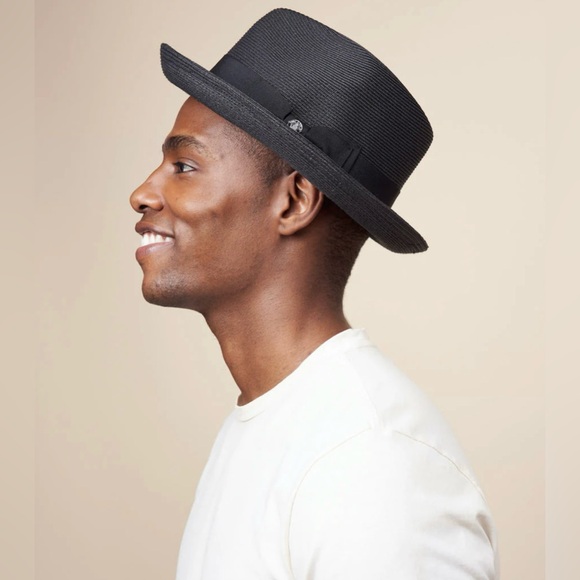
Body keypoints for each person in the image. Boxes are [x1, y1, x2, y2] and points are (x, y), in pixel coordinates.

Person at [130, 8, 499, 580]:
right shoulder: (276, 423)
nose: (143, 193)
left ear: (295, 201)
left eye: (184, 165)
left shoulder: (372, 461)